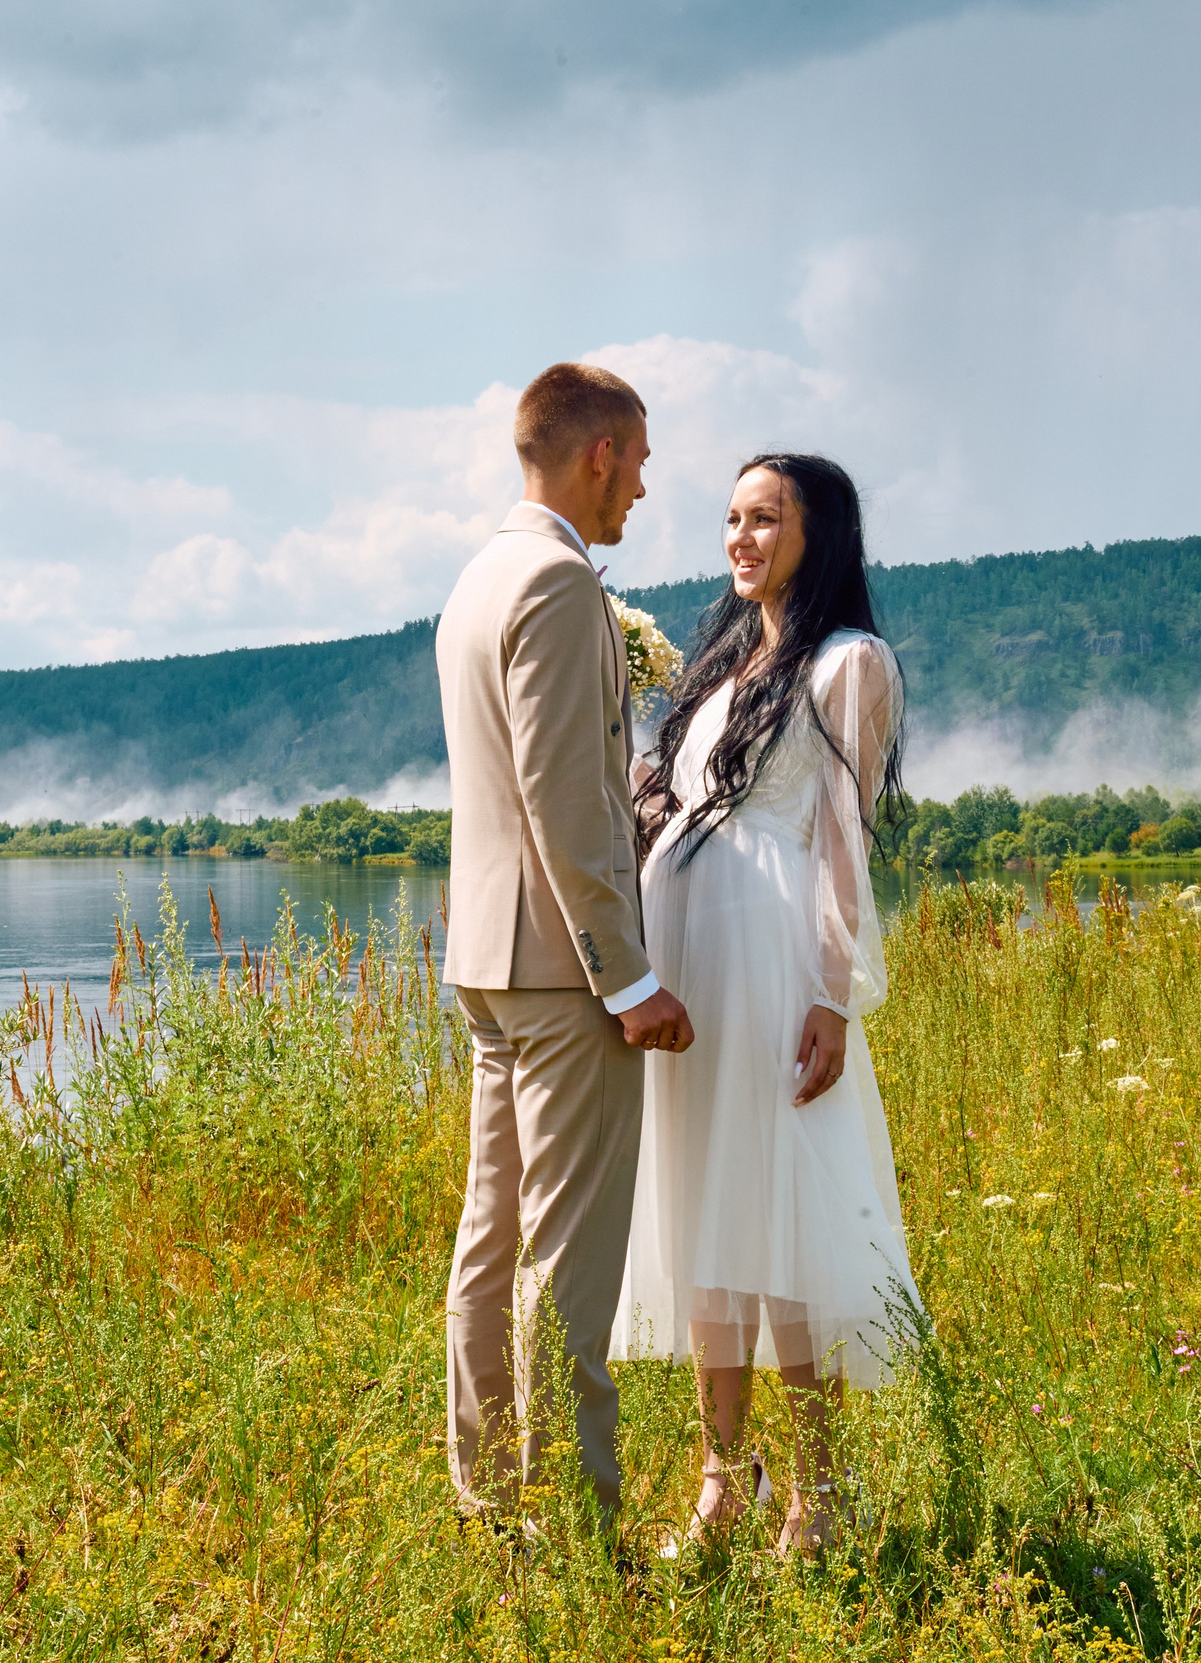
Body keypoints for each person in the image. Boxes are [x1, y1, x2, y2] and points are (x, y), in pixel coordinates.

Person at [611, 451, 922, 1557]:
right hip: (690, 952)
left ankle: (818, 1490)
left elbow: (843, 840)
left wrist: (832, 998)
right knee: (704, 1204)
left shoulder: (848, 662)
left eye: (765, 518)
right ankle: (719, 1478)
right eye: (731, 518)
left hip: (771, 949)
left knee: (779, 1207)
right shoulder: (727, 662)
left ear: (816, 531)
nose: (740, 538)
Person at [438, 361, 695, 1530]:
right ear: (598, 451)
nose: (641, 486)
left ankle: (491, 1506)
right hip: (560, 973)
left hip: (491, 963)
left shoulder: (478, 578)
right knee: (569, 1263)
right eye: (637, 460)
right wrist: (627, 974)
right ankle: (581, 1535)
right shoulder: (554, 582)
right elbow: (560, 800)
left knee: (490, 1247)